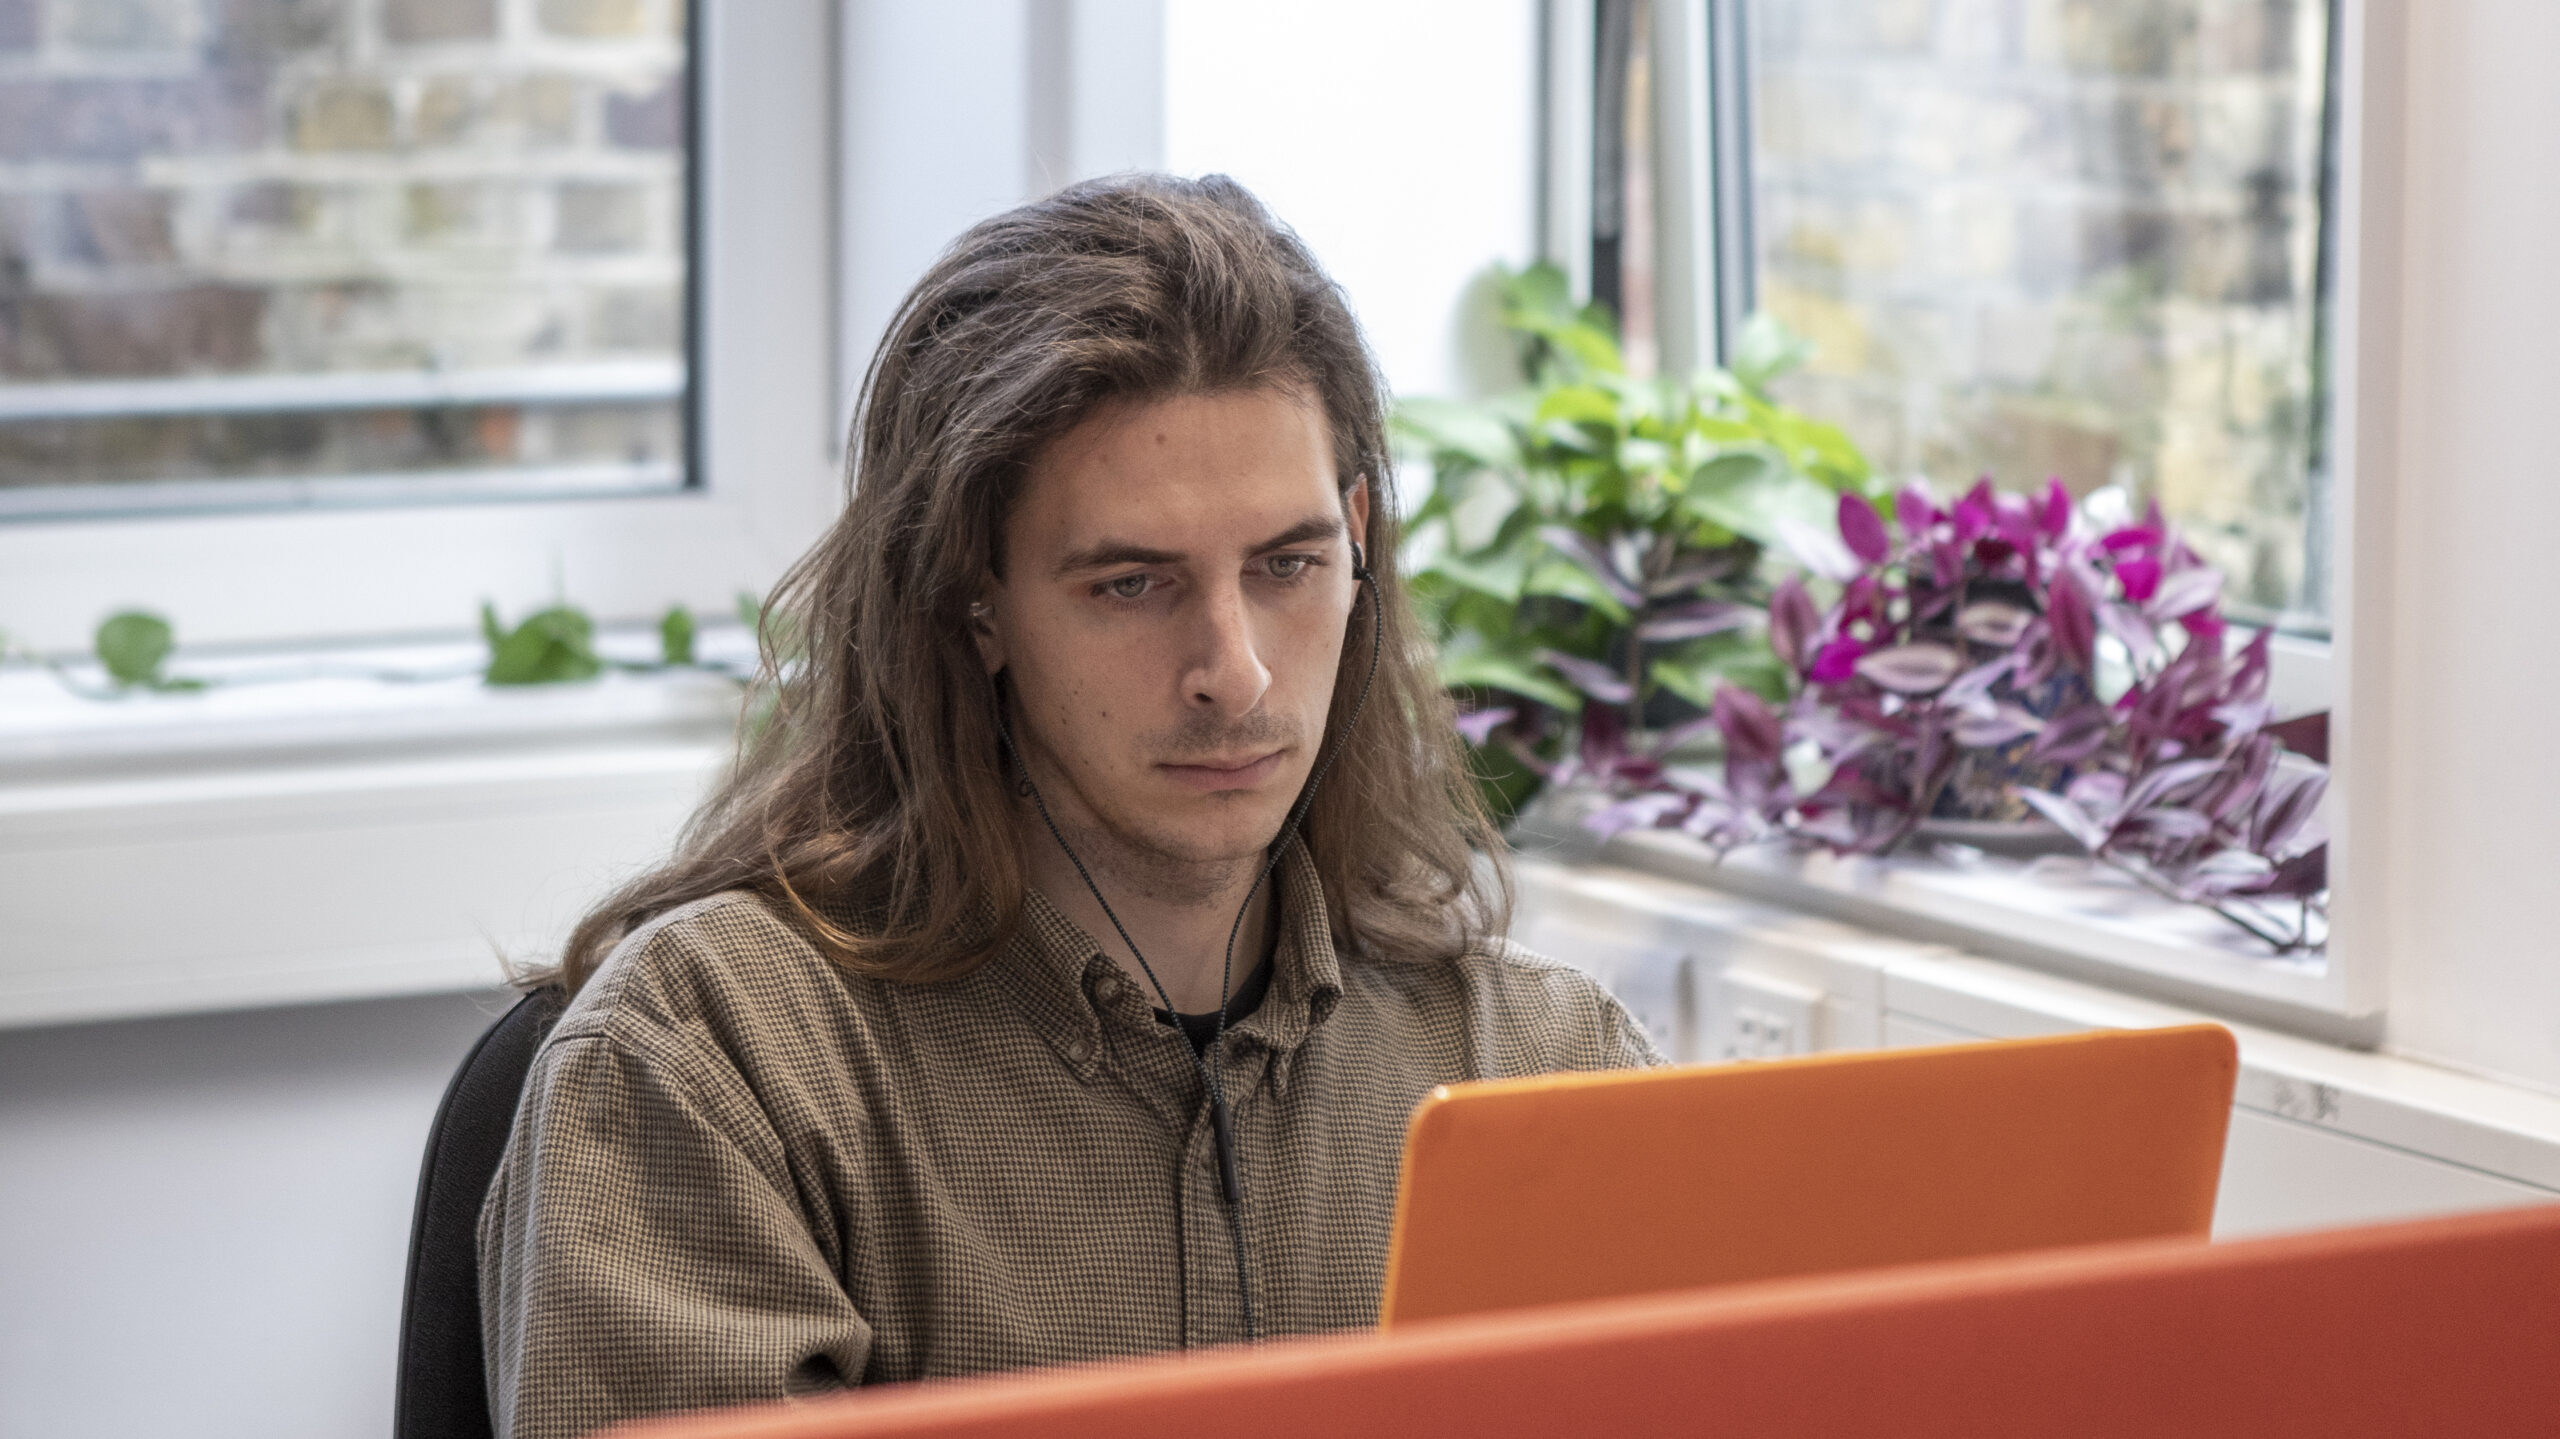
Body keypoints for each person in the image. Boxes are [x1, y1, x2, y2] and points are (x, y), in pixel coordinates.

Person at [478, 173, 1660, 1439]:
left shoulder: (1536, 1065)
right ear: (971, 595)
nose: (1237, 671)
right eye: (1132, 584)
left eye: (1288, 565)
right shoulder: (719, 1064)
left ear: (1360, 538)